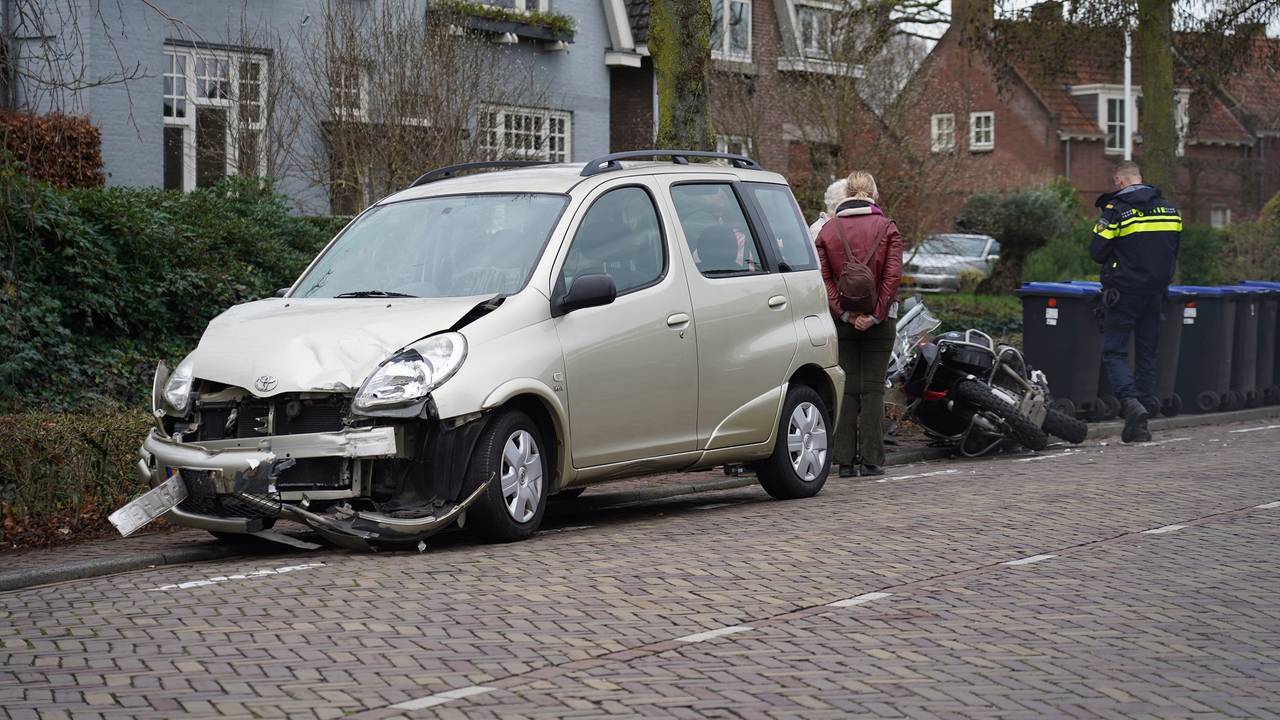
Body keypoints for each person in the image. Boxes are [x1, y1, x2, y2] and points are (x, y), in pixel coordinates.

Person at [814, 171, 903, 477]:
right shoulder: (888, 228)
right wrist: (877, 314)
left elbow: (823, 279)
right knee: (874, 389)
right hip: (881, 322)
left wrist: (844, 314)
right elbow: (892, 278)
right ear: (873, 194)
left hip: (842, 321)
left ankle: (844, 462)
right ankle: (872, 459)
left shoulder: (828, 230)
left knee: (847, 388)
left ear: (848, 193)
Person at [1089, 160, 1182, 444]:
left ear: (1119, 181)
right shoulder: (1170, 210)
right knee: (1147, 353)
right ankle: (1140, 424)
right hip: (1156, 293)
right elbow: (1173, 249)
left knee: (1115, 352)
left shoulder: (1116, 211)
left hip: (1124, 294)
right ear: (1139, 177)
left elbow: (1097, 251)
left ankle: (1131, 404)